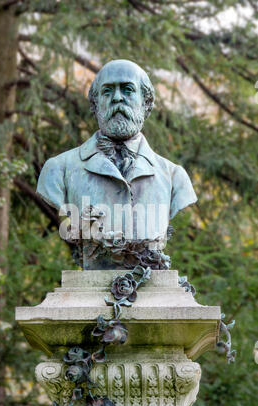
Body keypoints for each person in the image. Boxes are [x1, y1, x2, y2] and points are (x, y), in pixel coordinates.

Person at [37, 59, 197, 269]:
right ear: (95, 105)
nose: (117, 98)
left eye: (128, 90)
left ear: (146, 103)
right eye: (107, 91)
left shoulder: (175, 177)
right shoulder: (58, 170)